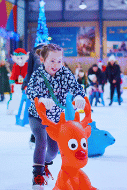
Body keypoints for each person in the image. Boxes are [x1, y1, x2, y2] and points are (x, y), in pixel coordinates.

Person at [24, 44, 88, 189]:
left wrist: (79, 96)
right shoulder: (38, 74)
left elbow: (76, 87)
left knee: (53, 151)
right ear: (42, 60)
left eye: (59, 61)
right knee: (41, 141)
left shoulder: (65, 74)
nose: (56, 65)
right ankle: (37, 175)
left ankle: (45, 163)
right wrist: (40, 99)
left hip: (55, 119)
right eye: (52, 61)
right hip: (37, 116)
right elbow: (30, 90)